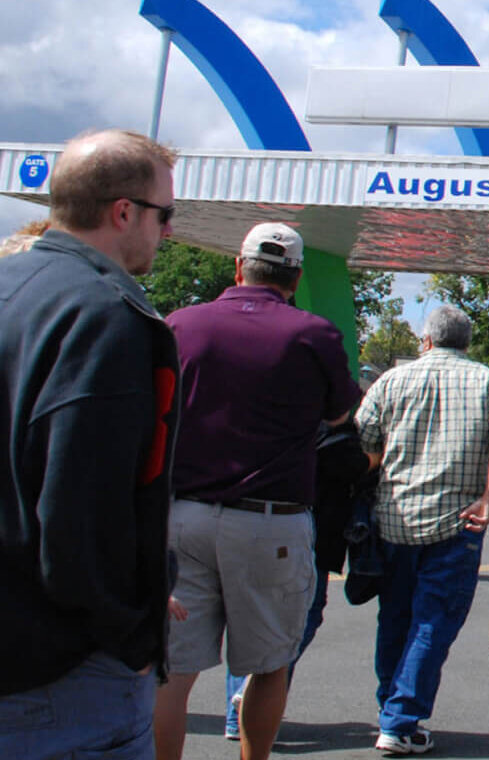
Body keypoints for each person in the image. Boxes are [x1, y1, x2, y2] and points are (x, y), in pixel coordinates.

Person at [0, 131, 179, 759]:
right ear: (124, 211)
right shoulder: (107, 315)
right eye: (166, 215)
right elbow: (82, 508)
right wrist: (132, 635)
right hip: (62, 668)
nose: (166, 233)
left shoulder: (10, 285)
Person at [153, 222, 361, 760]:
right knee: (269, 665)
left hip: (183, 515)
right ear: (294, 276)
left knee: (171, 673)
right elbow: (340, 412)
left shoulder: (180, 324)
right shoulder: (313, 335)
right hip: (271, 520)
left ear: (238, 266)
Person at [356, 305, 489, 754]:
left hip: (395, 518)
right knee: (432, 623)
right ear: (466, 342)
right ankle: (401, 719)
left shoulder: (391, 380)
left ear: (425, 340)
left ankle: (390, 707)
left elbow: (364, 437)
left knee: (395, 617)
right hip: (457, 523)